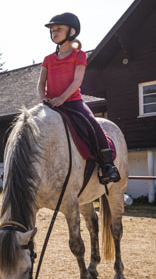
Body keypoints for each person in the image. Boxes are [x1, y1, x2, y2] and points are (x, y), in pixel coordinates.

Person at [37, 12, 120, 185]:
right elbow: (41, 83)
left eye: (59, 29)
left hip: (73, 103)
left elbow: (77, 81)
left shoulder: (79, 55)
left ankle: (107, 165)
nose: (54, 32)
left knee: (94, 124)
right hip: (51, 105)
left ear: (72, 31)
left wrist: (62, 98)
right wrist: (43, 98)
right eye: (52, 30)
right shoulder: (48, 59)